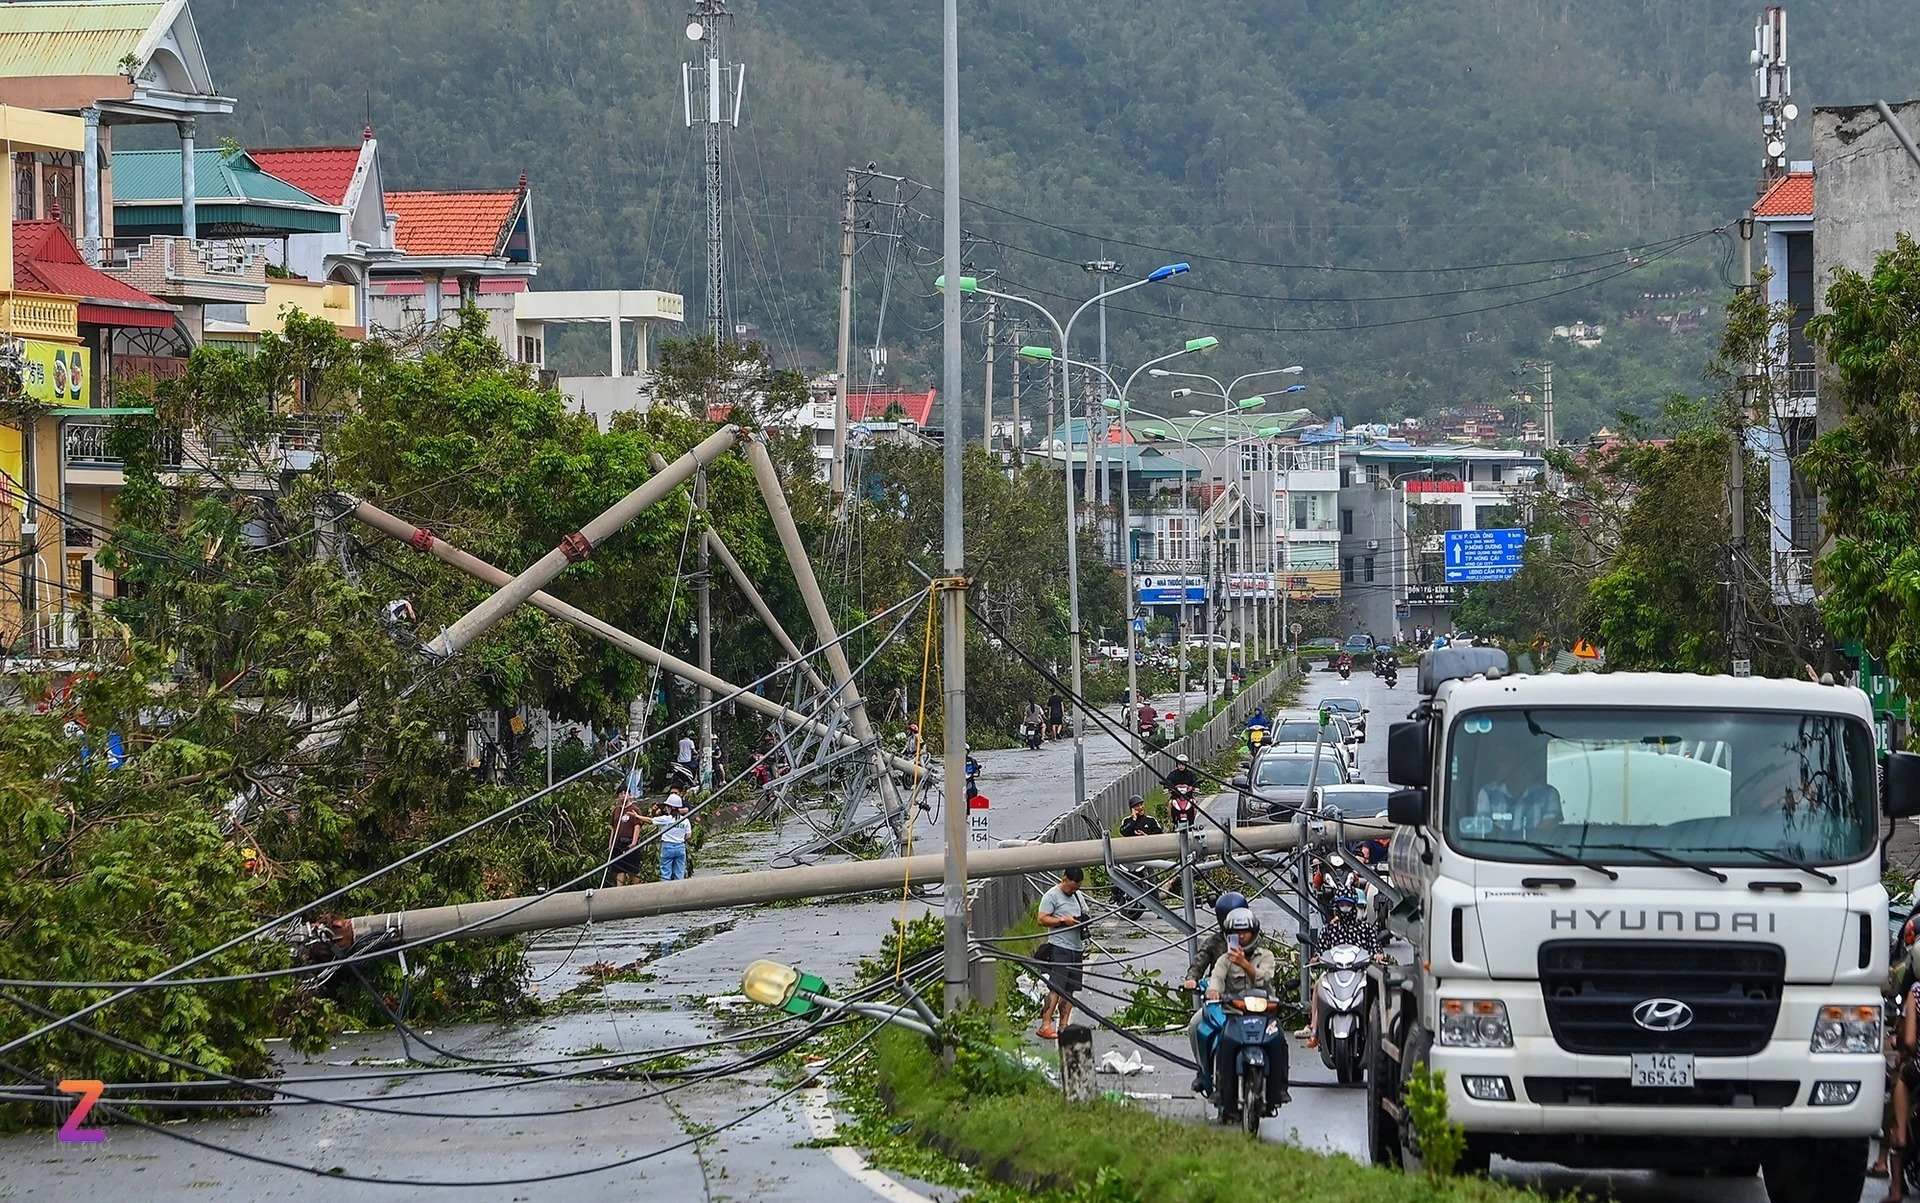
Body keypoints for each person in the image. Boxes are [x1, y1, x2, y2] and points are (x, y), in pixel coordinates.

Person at [1204, 907, 1286, 1109]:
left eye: (1245, 932)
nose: (1241, 937)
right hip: (1235, 1015)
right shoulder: (1225, 959)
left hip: (1265, 1015)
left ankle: (1280, 1088)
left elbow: (1265, 978)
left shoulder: (1265, 956)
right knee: (1224, 1043)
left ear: (1254, 932)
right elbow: (1217, 978)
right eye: (1236, 933)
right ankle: (1221, 1088)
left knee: (1279, 1042)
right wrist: (1213, 991)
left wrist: (1244, 963)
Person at [1298, 893, 1388, 1048]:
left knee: (1374, 990)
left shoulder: (1366, 929)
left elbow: (1376, 950)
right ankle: (1314, 1029)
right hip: (1334, 973)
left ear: (1355, 906)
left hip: (1360, 974)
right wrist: (1316, 959)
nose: (1345, 908)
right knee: (1319, 985)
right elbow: (1320, 952)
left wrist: (1378, 955)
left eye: (1348, 904)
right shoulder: (1328, 930)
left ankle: (1376, 1029)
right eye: (1341, 905)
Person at [1183, 892, 1248, 1093]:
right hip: (1217, 1001)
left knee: (1273, 1032)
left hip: (1248, 1002)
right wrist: (1191, 979)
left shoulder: (1255, 942)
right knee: (1195, 1026)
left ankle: (1272, 1079)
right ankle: (1203, 1071)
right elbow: (1198, 962)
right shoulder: (1214, 942)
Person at [1034, 867, 1092, 1040]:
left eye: (1077, 888)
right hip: (1060, 948)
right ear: (1064, 879)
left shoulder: (1078, 896)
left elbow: (1085, 913)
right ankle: (1045, 1025)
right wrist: (1062, 921)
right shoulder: (1051, 896)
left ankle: (1064, 1025)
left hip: (1077, 947)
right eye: (1071, 887)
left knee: (1070, 990)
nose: (1073, 891)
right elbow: (1042, 919)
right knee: (1056, 988)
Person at [1884, 941, 1920, 1199]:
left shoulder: (1916, 992)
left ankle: (1896, 1189)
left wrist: (1905, 1055)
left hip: (1917, 1067)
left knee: (1900, 1084)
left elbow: (1908, 1041)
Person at [650, 793, 693, 881]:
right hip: (680, 847)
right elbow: (688, 836)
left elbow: (650, 820)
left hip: (667, 847)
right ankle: (679, 892)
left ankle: (666, 892)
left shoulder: (667, 819)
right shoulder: (685, 820)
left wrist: (637, 816)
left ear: (670, 807)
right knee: (679, 873)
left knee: (665, 873)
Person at [609, 796, 647, 887]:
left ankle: (635, 889)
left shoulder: (634, 809)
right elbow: (613, 828)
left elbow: (637, 826)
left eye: (625, 793)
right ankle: (619, 890)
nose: (623, 795)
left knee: (634, 869)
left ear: (629, 795)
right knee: (619, 869)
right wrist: (611, 844)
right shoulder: (616, 810)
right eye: (620, 794)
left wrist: (634, 842)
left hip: (630, 843)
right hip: (618, 844)